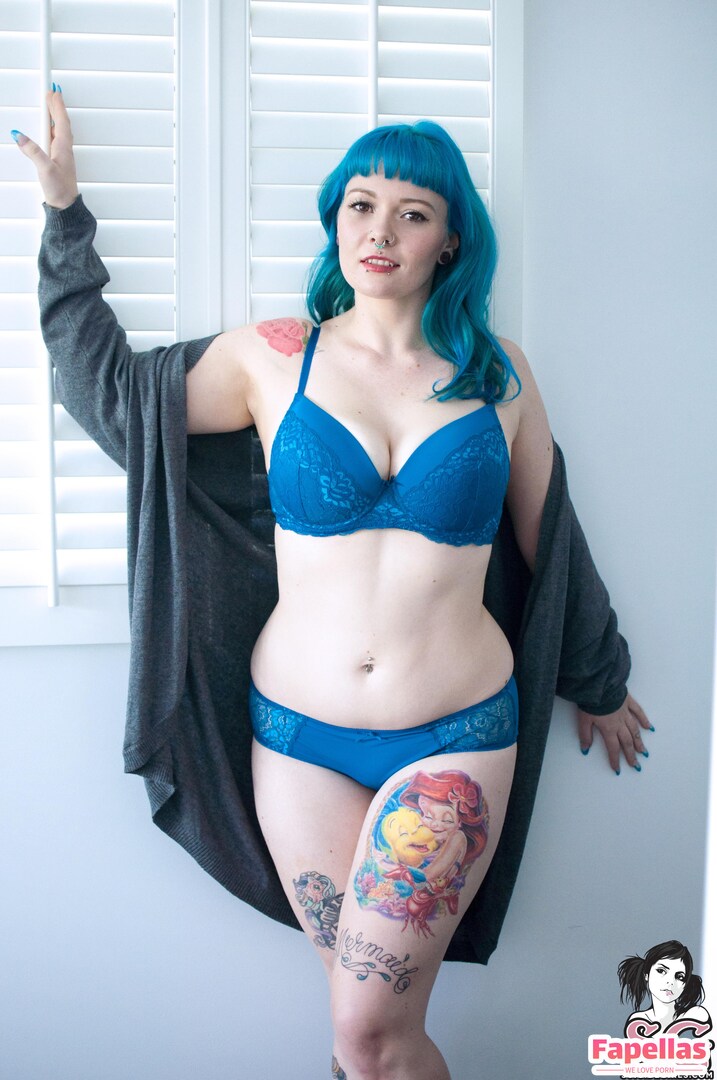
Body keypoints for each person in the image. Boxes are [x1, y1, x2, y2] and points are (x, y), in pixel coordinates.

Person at [13, 90, 651, 1080]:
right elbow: (111, 398)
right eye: (361, 205)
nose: (380, 230)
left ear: (450, 241)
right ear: (335, 220)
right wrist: (64, 213)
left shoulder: (501, 376)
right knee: (366, 1037)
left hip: (455, 735)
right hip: (297, 740)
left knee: (367, 1037)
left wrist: (599, 677)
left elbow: (550, 537)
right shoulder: (271, 360)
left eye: (412, 212)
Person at [618, 941, 710, 1038]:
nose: (670, 982)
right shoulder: (638, 1021)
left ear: (685, 984)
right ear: (646, 975)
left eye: (679, 977)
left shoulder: (696, 1015)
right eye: (661, 971)